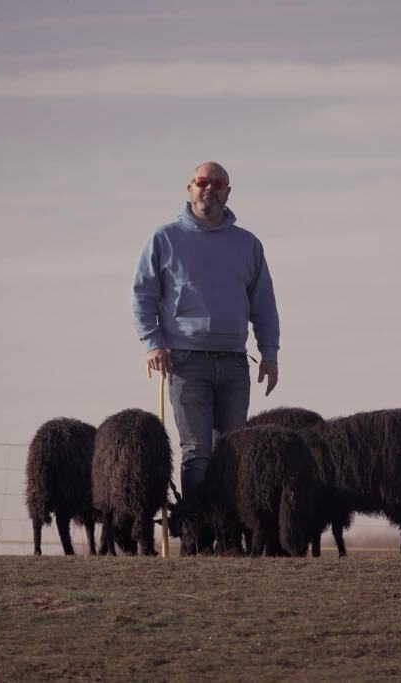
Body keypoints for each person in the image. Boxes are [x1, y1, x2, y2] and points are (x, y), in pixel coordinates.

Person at [131, 161, 280, 511]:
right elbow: (142, 294)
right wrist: (152, 342)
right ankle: (199, 537)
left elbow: (264, 304)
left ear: (228, 192)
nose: (208, 189)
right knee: (197, 451)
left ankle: (228, 535)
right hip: (185, 362)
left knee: (233, 451)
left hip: (233, 363)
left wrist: (269, 354)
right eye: (202, 182)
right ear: (189, 188)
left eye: (217, 183)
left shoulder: (247, 245)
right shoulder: (165, 238)